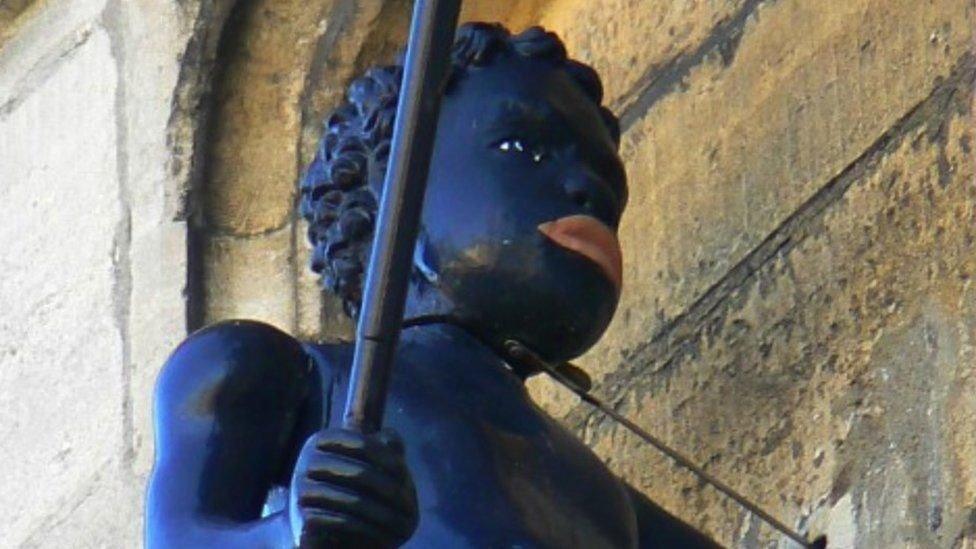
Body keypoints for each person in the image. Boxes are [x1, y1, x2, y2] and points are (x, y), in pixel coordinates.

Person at [146, 23, 719, 548]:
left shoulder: (600, 495)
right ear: (390, 183)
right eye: (522, 148)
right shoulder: (264, 368)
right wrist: (293, 531)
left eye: (609, 190)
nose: (585, 189)